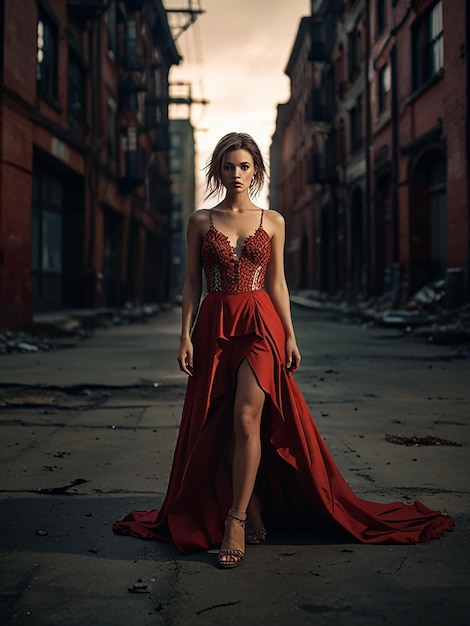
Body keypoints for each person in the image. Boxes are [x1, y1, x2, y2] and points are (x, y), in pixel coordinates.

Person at [113, 132, 453, 568]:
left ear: (256, 171)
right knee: (217, 422)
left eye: (244, 166)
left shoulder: (272, 220)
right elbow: (191, 285)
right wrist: (183, 335)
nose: (236, 174)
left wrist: (290, 335)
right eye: (228, 166)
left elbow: (277, 284)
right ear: (217, 169)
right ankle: (251, 502)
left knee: (246, 417)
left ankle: (235, 519)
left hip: (260, 325)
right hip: (214, 323)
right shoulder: (201, 220)